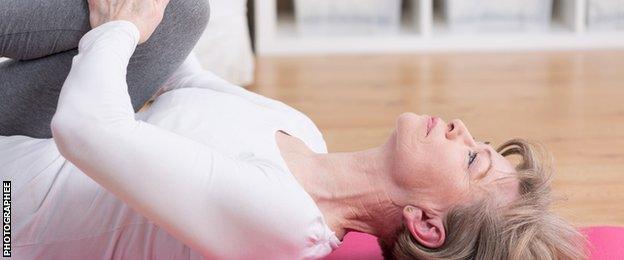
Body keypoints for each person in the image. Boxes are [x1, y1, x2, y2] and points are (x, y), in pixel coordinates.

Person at [0, 0, 587, 259]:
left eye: (471, 160)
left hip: (8, 213)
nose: (462, 129)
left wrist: (119, 30)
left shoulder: (280, 224)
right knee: (182, 14)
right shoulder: (300, 131)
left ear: (427, 225)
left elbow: (86, 127)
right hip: (30, 141)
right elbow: (178, 70)